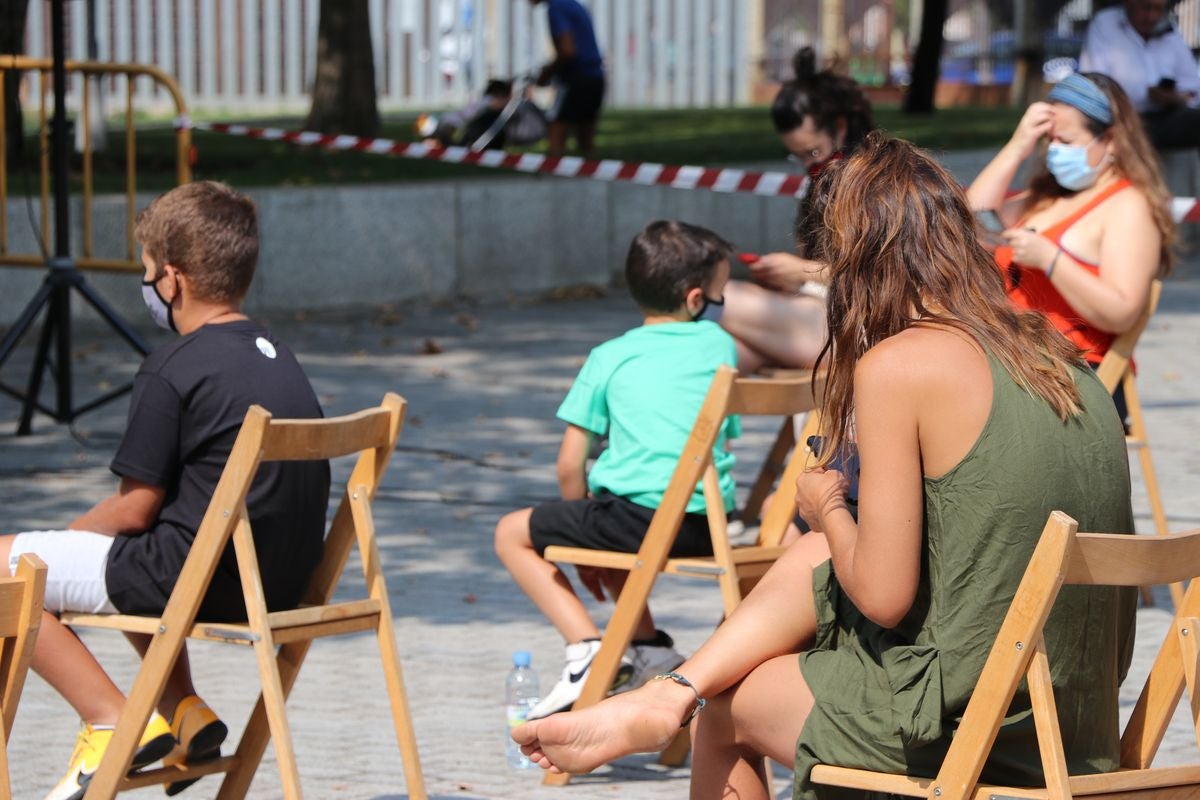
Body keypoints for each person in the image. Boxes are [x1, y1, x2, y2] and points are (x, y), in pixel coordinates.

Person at [511, 135, 1136, 799]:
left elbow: (885, 596)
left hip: (968, 724)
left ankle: (678, 698)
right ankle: (668, 692)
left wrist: (826, 506)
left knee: (727, 710)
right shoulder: (1067, 363)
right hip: (1073, 726)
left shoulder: (899, 365)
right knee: (815, 559)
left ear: (855, 261)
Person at [1, 181, 331, 800]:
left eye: (147, 270)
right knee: (131, 551)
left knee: (9, 569)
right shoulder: (279, 357)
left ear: (172, 280)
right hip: (278, 583)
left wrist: (64, 542)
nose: (147, 283)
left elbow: (133, 509)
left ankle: (109, 722)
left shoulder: (173, 366)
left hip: (198, 579)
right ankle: (184, 711)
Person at [494, 220, 739, 720]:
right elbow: (725, 437)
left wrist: (580, 536)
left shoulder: (609, 357)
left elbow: (570, 463)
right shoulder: (720, 346)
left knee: (511, 533)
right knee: (613, 520)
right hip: (707, 525)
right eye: (720, 295)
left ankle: (585, 648)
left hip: (639, 523)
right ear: (696, 300)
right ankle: (648, 648)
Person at [968, 72, 1174, 405]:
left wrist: (1051, 260)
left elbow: (1121, 312)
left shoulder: (1128, 205)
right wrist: (1017, 147)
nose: (1054, 151)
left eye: (1066, 141)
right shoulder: (1047, 196)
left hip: (1075, 376)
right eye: (1049, 141)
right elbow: (973, 222)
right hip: (1016, 362)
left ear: (1111, 140)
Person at [719, 48, 875, 372]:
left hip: (864, 330)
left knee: (720, 297)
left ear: (840, 128)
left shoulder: (874, 184)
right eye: (797, 156)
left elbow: (884, 276)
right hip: (824, 320)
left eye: (812, 151)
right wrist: (786, 279)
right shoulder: (824, 183)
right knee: (719, 345)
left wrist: (801, 272)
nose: (808, 164)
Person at [1079, 0, 1200, 152]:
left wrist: (1175, 97)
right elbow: (1094, 84)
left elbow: (1193, 86)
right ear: (1130, 3)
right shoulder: (1105, 24)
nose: (1151, 17)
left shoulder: (1170, 31)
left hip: (1166, 117)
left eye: (1158, 9)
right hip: (1122, 120)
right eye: (1145, 7)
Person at [527, 0, 606, 157]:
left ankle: (553, 171)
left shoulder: (556, 8)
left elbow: (567, 51)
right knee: (586, 138)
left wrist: (547, 73)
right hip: (595, 76)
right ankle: (589, 169)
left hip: (576, 78)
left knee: (557, 130)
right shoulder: (572, 4)